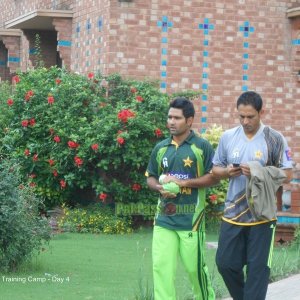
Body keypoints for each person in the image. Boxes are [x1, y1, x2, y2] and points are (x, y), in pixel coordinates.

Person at [212, 91, 293, 300]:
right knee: (225, 263)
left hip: (262, 216)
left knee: (257, 272)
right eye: (241, 116)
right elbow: (215, 169)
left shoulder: (274, 138)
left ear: (261, 112)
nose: (245, 121)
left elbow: (288, 174)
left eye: (250, 116)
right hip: (233, 214)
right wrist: (227, 172)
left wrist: (259, 170)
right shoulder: (228, 137)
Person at [146, 97, 218, 300]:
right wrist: (160, 188)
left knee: (195, 271)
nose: (171, 122)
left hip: (191, 220)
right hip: (163, 219)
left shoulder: (201, 147)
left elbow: (213, 178)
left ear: (189, 120)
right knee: (161, 270)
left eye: (177, 118)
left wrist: (183, 183)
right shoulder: (161, 148)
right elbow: (150, 177)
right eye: (169, 117)